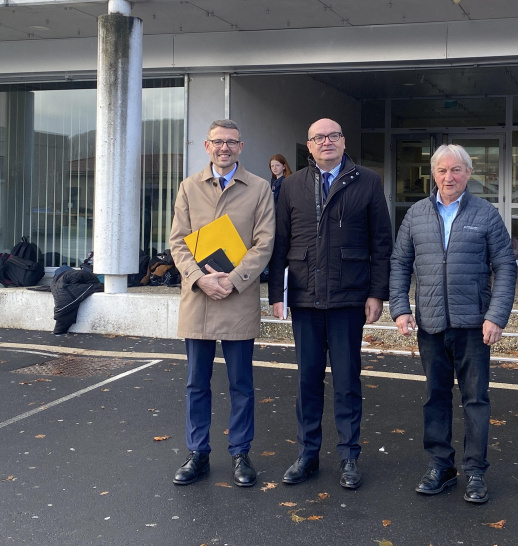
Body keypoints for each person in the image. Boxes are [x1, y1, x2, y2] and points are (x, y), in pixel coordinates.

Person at [268, 118, 392, 490]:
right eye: (319, 137)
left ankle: (349, 455)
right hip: (305, 298)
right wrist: (277, 294)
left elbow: (381, 243)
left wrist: (377, 293)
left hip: (349, 297)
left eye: (334, 135)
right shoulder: (291, 186)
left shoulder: (366, 180)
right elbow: (280, 242)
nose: (327, 142)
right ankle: (307, 454)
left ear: (343, 140)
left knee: (347, 382)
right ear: (308, 145)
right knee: (307, 381)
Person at [389, 144, 516, 504]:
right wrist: (400, 308)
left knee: (475, 400)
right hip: (430, 325)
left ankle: (475, 471)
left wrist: (496, 315)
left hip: (474, 326)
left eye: (457, 170)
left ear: (469, 173)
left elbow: (505, 266)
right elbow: (399, 263)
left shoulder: (486, 214)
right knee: (435, 398)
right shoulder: (415, 214)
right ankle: (440, 466)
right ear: (434, 174)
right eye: (443, 170)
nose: (449, 177)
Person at [168, 119, 275, 488]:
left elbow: (264, 243)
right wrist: (200, 279)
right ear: (206, 145)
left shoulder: (260, 188)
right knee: (196, 384)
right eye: (218, 142)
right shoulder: (187, 187)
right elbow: (178, 242)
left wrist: (233, 280)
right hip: (198, 299)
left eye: (231, 142)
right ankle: (197, 453)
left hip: (237, 298)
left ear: (241, 147)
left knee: (241, 383)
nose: (224, 148)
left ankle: (240, 453)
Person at [261, 154, 293, 282]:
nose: (274, 168)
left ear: (284, 166)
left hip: (281, 217)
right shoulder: (274, 181)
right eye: (272, 166)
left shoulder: (287, 181)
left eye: (277, 165)